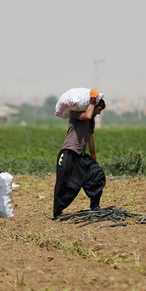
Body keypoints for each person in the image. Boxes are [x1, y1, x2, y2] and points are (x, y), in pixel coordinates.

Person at [53, 89, 106, 218]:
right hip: (68, 153)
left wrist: (93, 155)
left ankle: (95, 206)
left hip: (81, 155)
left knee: (97, 174)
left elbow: (90, 137)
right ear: (93, 106)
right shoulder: (75, 114)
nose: (99, 113)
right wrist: (93, 100)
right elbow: (87, 115)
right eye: (99, 110)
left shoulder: (91, 120)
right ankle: (57, 212)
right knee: (64, 184)